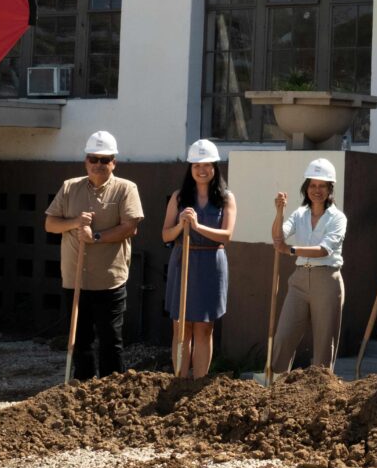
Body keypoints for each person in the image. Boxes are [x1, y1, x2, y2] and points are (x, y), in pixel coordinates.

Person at [43, 130, 144, 380]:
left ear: (113, 162)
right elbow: (50, 224)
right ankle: (82, 389)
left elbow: (130, 227)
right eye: (93, 159)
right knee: (80, 339)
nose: (98, 164)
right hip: (75, 278)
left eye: (104, 159)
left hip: (109, 278)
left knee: (111, 339)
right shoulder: (69, 187)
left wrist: (95, 237)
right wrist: (75, 222)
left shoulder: (125, 189)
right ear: (86, 161)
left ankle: (112, 391)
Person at [161, 139, 236, 378]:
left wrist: (197, 225)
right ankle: (180, 381)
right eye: (196, 165)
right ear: (190, 169)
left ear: (215, 167)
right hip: (183, 261)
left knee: (205, 327)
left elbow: (226, 236)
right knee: (181, 327)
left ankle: (199, 382)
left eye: (207, 165)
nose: (202, 170)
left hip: (211, 263)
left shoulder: (226, 198)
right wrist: (181, 224)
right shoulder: (179, 197)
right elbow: (166, 234)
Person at [270, 157, 347, 372]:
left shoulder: (338, 218)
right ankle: (274, 384)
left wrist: (291, 249)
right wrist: (279, 212)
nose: (317, 190)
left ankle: (320, 394)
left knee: (324, 343)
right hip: (299, 279)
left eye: (322, 185)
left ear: (330, 188)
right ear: (306, 187)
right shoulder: (299, 214)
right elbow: (278, 237)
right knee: (283, 336)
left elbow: (324, 250)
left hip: (327, 279)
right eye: (313, 185)